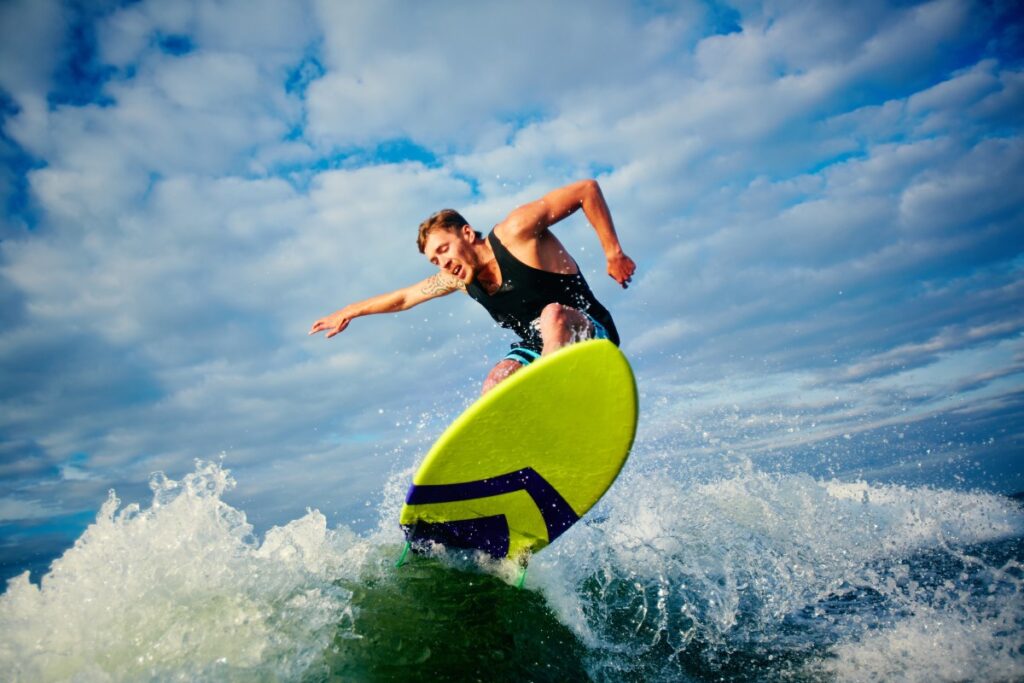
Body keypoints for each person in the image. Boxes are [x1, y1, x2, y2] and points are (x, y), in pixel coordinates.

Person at [309, 179, 636, 393]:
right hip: (542, 348)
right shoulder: (459, 279)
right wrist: (350, 310)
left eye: (443, 250)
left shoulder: (516, 232)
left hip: (593, 335)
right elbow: (404, 298)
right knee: (495, 381)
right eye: (434, 261)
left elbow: (586, 191)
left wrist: (613, 253)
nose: (443, 263)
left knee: (552, 315)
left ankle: (552, 399)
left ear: (466, 233)